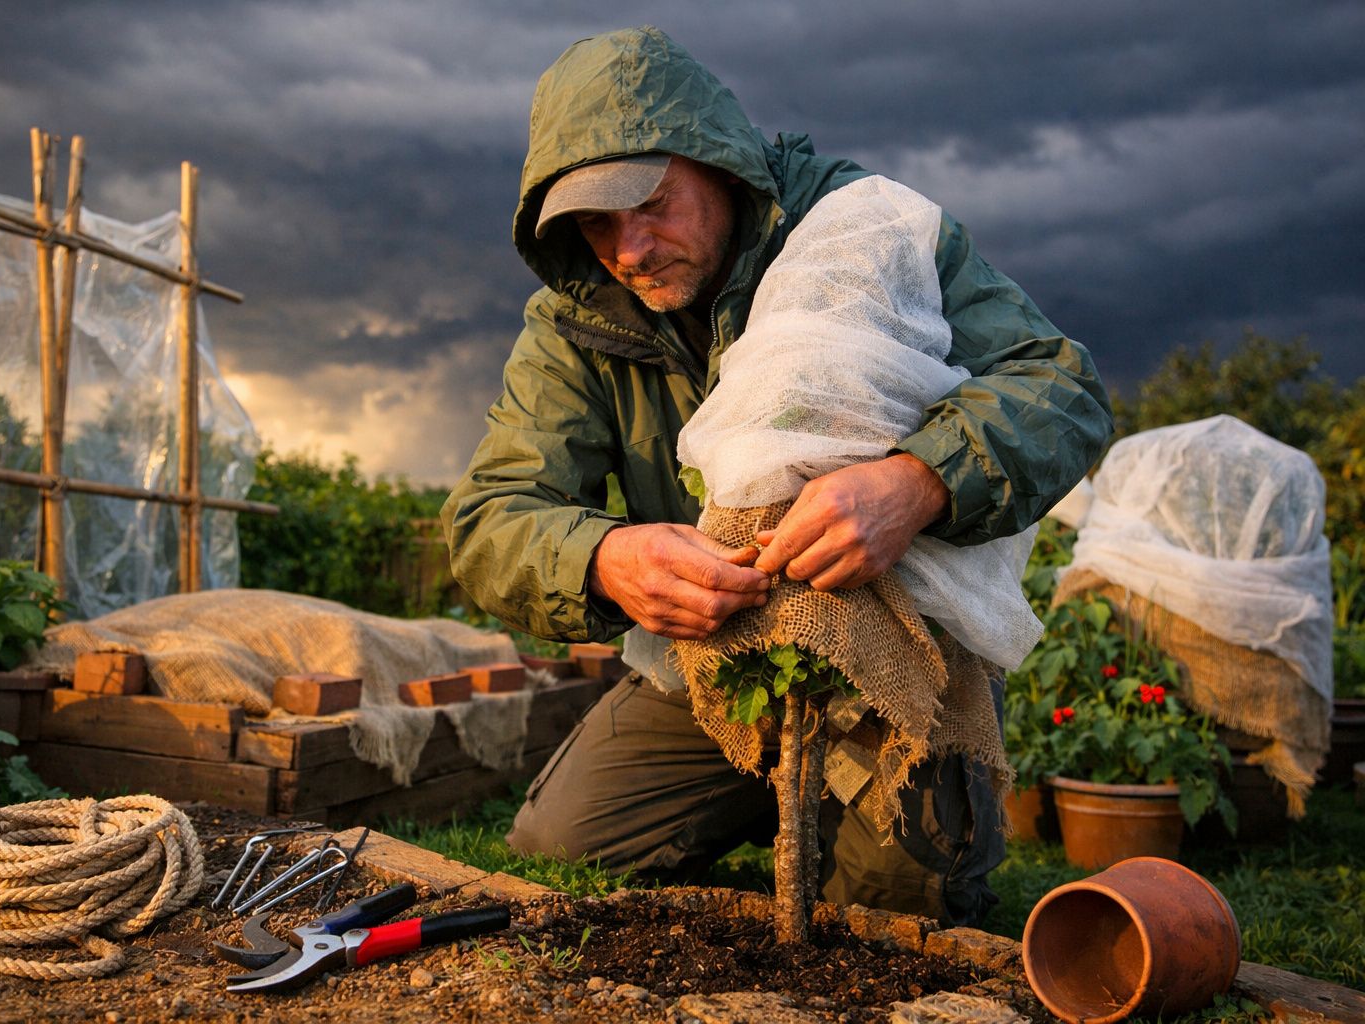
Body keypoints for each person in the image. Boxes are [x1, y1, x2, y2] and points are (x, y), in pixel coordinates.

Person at [440, 26, 1112, 926]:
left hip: (888, 641)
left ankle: (864, 812)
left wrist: (918, 483)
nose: (630, 248)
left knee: (895, 911)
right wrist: (605, 561)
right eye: (595, 224)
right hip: (708, 659)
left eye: (652, 203)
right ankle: (764, 787)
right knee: (559, 851)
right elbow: (490, 516)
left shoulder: (866, 231)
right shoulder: (574, 322)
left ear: (715, 161)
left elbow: (1061, 388)